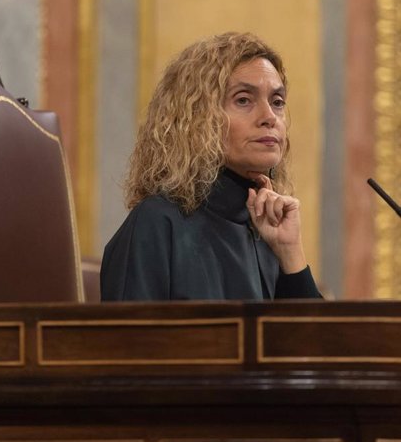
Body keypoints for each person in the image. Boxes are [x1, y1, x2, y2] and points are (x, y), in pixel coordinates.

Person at [101, 32, 322, 301]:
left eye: (277, 102)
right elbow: (126, 341)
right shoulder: (157, 223)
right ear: (197, 118)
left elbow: (315, 343)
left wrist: (290, 251)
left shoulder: (269, 229)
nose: (269, 117)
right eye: (243, 100)